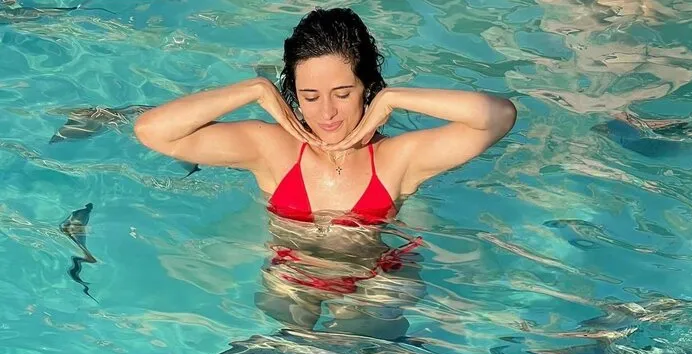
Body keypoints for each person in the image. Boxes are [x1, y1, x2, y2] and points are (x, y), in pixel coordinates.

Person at [134, 7, 516, 325]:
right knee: (285, 342)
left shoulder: (397, 159)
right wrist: (254, 90)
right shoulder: (272, 150)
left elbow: (498, 116)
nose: (327, 113)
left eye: (343, 93)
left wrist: (394, 98)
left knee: (360, 333)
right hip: (294, 276)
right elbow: (152, 131)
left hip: (376, 280)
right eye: (311, 96)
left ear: (367, 87)